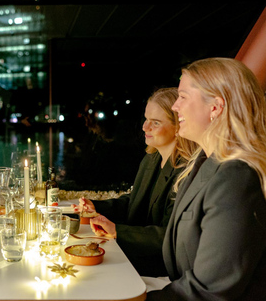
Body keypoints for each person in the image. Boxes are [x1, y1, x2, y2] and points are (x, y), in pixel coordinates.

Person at [147, 58, 266, 300]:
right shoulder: (203, 163)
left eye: (183, 97)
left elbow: (210, 290)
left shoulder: (236, 178)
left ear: (215, 107)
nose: (175, 107)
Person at [75, 87, 197, 276]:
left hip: (161, 267)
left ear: (178, 127)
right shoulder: (152, 157)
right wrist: (96, 207)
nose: (144, 127)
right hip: (135, 254)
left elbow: (171, 235)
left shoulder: (186, 172)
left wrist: (118, 232)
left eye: (155, 123)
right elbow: (134, 201)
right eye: (146, 119)